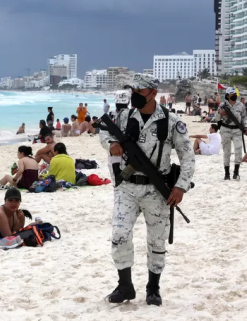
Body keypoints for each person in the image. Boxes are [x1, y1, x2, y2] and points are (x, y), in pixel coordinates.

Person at [99, 73, 195, 306]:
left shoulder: (171, 121)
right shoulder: (123, 116)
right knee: (119, 235)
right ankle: (125, 286)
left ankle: (153, 287)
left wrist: (181, 187)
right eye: (132, 92)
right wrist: (111, 144)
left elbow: (188, 156)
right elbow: (104, 130)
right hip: (127, 188)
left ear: (153, 93)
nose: (134, 96)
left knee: (157, 241)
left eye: (139, 92)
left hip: (157, 190)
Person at [213, 87, 247, 180]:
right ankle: (227, 174)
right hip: (225, 130)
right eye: (232, 94)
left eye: (235, 94)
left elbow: (244, 117)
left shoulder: (240, 105)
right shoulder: (222, 105)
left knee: (238, 150)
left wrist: (246, 127)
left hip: (237, 131)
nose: (234, 96)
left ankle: (236, 172)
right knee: (226, 152)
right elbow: (216, 119)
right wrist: (221, 113)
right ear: (227, 96)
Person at [107, 90, 130, 187]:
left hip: (116, 152)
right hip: (126, 152)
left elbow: (104, 135)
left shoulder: (110, 115)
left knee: (117, 183)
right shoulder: (134, 115)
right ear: (128, 102)